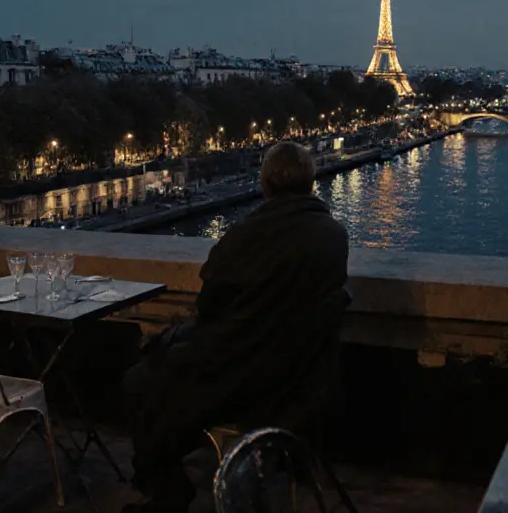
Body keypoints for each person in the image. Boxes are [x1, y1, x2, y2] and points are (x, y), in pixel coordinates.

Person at [122, 141, 351, 512]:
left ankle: (165, 488)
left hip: (244, 380)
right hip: (303, 381)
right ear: (311, 183)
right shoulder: (334, 237)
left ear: (265, 185)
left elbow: (209, 308)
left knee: (141, 381)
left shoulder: (243, 238)